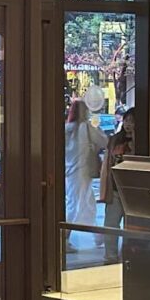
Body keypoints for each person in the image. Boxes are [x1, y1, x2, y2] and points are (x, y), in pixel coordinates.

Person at [63, 98, 107, 252]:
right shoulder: (86, 128)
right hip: (82, 171)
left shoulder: (67, 128)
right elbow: (104, 141)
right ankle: (64, 237)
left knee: (84, 202)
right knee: (79, 204)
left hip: (69, 172)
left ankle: (98, 236)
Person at [99, 106, 136, 263]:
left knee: (132, 227)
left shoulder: (143, 140)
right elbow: (107, 163)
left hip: (133, 191)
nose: (128, 124)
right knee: (111, 224)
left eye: (132, 122)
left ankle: (129, 257)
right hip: (115, 188)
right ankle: (110, 257)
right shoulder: (115, 139)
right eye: (127, 120)